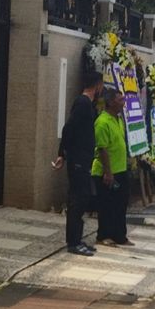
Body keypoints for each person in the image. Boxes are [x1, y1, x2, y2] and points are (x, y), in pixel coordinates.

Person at [53, 70, 104, 256]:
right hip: (78, 160)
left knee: (82, 199)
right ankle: (73, 242)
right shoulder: (82, 103)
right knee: (77, 199)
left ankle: (77, 239)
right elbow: (69, 128)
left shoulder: (89, 105)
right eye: (101, 85)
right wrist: (62, 154)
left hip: (84, 159)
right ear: (97, 85)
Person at [93, 87, 134, 247]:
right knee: (107, 205)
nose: (123, 103)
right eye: (120, 100)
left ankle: (120, 236)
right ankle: (103, 235)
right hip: (107, 171)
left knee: (121, 204)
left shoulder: (118, 119)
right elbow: (102, 148)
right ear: (110, 102)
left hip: (120, 169)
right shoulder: (102, 122)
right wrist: (108, 172)